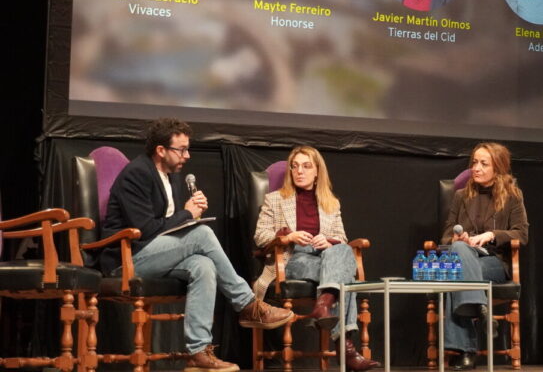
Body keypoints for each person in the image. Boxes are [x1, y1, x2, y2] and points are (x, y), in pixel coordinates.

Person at [101, 118, 294, 372]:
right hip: (127, 258)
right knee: (202, 234)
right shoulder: (137, 173)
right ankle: (247, 304)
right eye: (181, 149)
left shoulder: (172, 177)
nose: (187, 155)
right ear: (161, 150)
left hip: (155, 255)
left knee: (203, 265)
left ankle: (198, 353)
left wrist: (187, 217)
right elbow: (145, 230)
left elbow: (168, 226)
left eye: (187, 149)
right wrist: (187, 215)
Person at [253, 146, 380, 371]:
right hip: (292, 259)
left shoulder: (331, 202)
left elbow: (341, 238)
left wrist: (328, 240)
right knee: (346, 277)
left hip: (325, 258)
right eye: (295, 166)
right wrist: (288, 236)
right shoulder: (275, 199)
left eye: (306, 166)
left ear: (317, 172)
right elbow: (260, 237)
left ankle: (323, 305)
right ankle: (348, 350)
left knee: (341, 251)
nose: (299, 171)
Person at [440, 142, 529, 371]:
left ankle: (466, 351)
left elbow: (522, 234)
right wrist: (457, 241)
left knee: (456, 272)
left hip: (493, 262)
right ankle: (481, 308)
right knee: (459, 252)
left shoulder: (512, 196)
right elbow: (447, 235)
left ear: (497, 168)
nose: (476, 168)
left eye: (483, 164)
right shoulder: (461, 196)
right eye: (474, 163)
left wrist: (491, 235)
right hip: (465, 257)